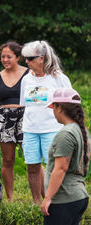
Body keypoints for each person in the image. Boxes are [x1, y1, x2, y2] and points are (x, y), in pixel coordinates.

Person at [20, 40, 72, 204]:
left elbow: (71, 103)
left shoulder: (58, 78)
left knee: (53, 167)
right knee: (32, 166)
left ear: (41, 58)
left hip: (52, 129)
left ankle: (55, 200)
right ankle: (36, 202)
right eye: (25, 58)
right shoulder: (26, 80)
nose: (26, 62)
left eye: (30, 58)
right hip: (30, 129)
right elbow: (24, 104)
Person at [0, 41, 29, 201]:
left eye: (9, 57)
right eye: (2, 56)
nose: (5, 60)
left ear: (18, 57)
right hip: (4, 120)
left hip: (25, 118)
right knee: (8, 160)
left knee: (32, 159)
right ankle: (10, 198)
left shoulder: (29, 74)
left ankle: (42, 197)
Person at [41, 88, 89, 225]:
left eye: (53, 107)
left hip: (64, 200)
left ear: (59, 107)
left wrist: (47, 197)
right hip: (78, 196)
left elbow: (61, 168)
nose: (53, 112)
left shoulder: (66, 134)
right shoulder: (82, 130)